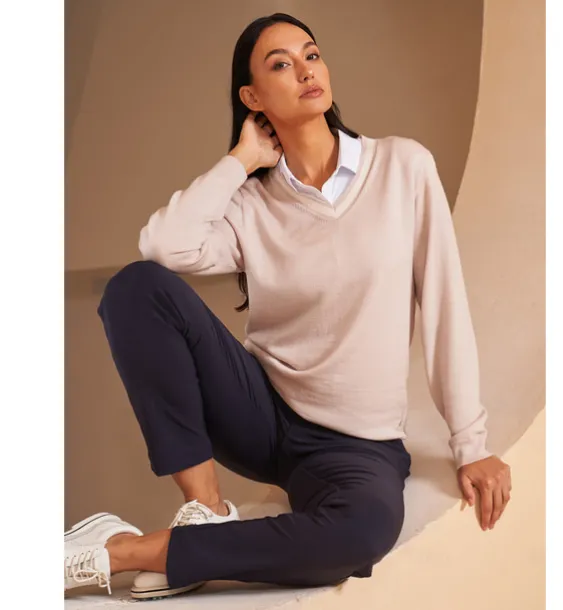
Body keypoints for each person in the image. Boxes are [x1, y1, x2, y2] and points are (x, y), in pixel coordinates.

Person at [64, 11, 512, 601]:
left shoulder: (403, 167)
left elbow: (445, 305)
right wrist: (241, 160)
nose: (305, 71)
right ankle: (207, 509)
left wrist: (471, 446)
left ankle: (124, 551)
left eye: (312, 55)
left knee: (359, 537)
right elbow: (162, 247)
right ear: (252, 97)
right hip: (261, 415)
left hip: (357, 446)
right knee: (135, 288)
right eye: (281, 64)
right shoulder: (250, 203)